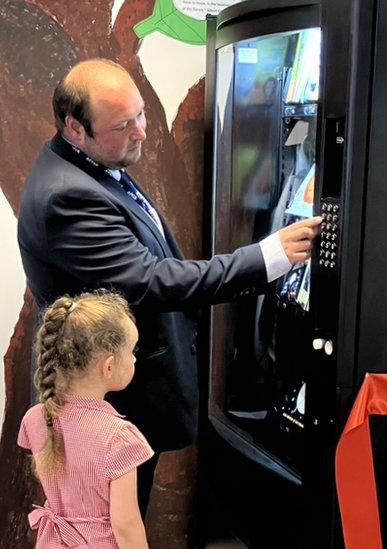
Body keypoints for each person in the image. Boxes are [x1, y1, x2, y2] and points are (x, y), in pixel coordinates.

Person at [17, 58, 320, 514]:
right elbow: (149, 281)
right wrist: (265, 258)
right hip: (115, 397)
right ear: (75, 128)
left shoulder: (90, 163)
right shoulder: (67, 197)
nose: (141, 131)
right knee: (113, 526)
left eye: (140, 114)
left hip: (122, 389)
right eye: (124, 124)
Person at [19, 291, 153, 549]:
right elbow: (126, 525)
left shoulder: (35, 419)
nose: (135, 358)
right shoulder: (119, 436)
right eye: (131, 350)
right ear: (109, 367)